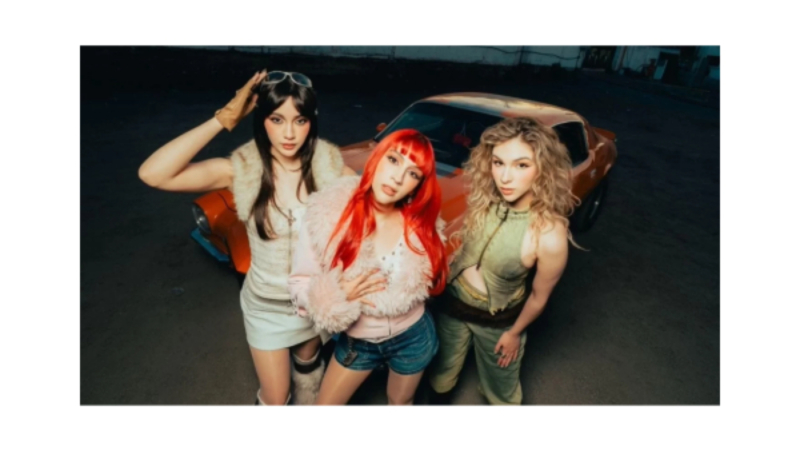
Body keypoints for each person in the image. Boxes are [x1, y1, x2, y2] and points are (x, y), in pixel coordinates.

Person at [138, 70, 354, 405]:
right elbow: (152, 174)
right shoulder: (241, 170)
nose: (289, 133)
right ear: (261, 119)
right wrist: (223, 118)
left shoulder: (332, 170)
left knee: (309, 366)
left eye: (299, 120)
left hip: (313, 301)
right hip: (267, 306)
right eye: (277, 119)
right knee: (275, 397)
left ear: (311, 122)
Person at [288, 129, 448, 405]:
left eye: (413, 173)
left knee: (400, 403)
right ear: (377, 157)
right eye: (394, 160)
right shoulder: (327, 214)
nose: (398, 178)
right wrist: (335, 293)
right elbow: (299, 284)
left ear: (417, 185)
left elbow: (430, 279)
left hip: (413, 335)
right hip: (358, 341)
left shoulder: (421, 225)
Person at [426, 117, 574, 405]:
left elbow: (539, 297)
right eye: (498, 163)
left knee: (501, 388)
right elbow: (466, 250)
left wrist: (515, 333)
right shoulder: (484, 200)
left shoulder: (549, 233)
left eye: (521, 165)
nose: (505, 177)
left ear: (542, 168)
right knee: (440, 371)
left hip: (498, 321)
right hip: (452, 304)